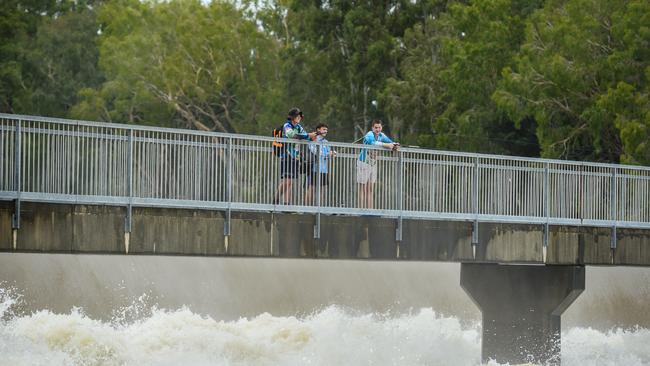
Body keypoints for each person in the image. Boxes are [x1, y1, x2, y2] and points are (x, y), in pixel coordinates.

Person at [274, 107, 317, 205]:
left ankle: (286, 204)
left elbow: (305, 136)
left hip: (295, 157)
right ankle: (276, 198)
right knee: (287, 180)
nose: (300, 117)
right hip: (286, 155)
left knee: (290, 181)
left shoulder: (299, 127)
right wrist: (308, 135)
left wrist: (312, 137)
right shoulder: (287, 125)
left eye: (300, 116)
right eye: (298, 116)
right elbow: (292, 135)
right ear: (292, 117)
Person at [357, 119, 399, 209]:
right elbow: (373, 143)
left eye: (379, 127)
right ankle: (360, 211)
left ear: (381, 127)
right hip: (363, 162)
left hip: (373, 164)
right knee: (363, 188)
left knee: (370, 188)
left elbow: (390, 142)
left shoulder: (381, 135)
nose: (378, 129)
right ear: (372, 128)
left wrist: (394, 144)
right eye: (376, 128)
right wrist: (387, 145)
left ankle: (370, 210)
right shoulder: (369, 134)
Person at [304, 123, 336, 205]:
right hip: (314, 168)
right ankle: (307, 209)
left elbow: (327, 155)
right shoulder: (313, 139)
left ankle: (319, 209)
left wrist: (332, 154)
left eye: (326, 130)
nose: (326, 131)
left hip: (324, 169)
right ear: (318, 130)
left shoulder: (326, 142)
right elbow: (314, 151)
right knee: (312, 188)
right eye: (324, 129)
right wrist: (328, 154)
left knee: (323, 189)